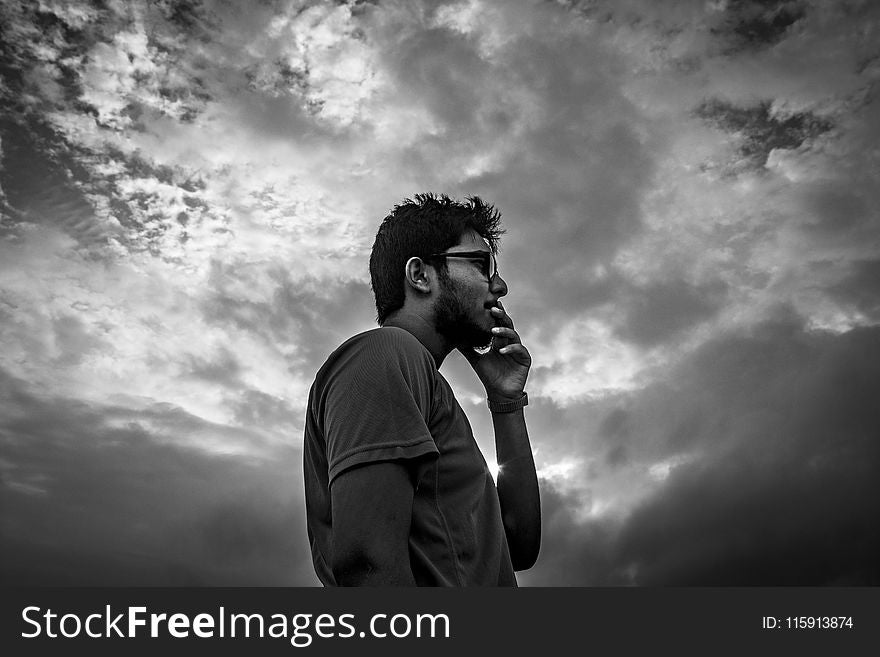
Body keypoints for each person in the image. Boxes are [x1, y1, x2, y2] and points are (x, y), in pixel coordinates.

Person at [303, 193, 540, 586]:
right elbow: (367, 567)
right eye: (481, 265)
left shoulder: (423, 381)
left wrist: (507, 402)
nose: (500, 285)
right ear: (420, 275)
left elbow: (518, 546)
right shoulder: (384, 355)